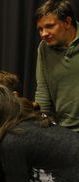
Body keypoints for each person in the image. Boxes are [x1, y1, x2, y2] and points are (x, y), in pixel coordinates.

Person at [34, 0, 79, 132]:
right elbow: (42, 93)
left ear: (67, 22)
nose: (43, 34)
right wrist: (42, 127)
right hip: (63, 131)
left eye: (49, 26)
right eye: (40, 29)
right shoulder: (44, 48)